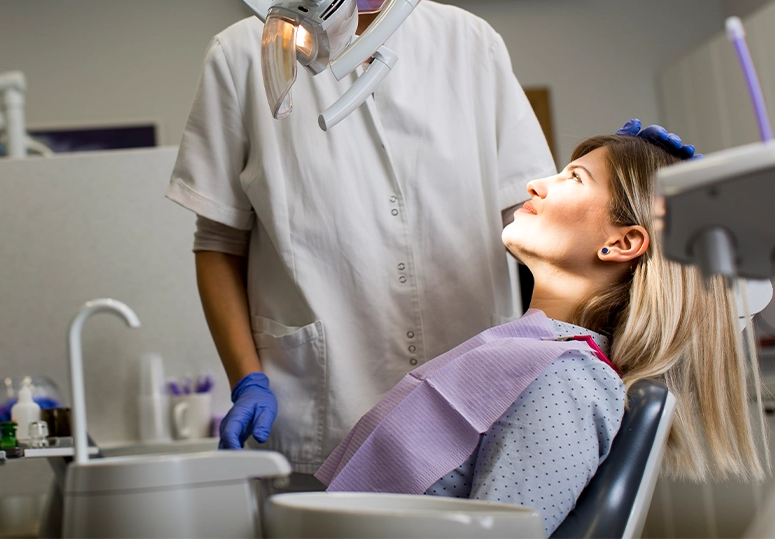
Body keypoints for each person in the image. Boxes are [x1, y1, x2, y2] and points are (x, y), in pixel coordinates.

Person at [165, 0, 556, 483]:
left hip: (471, 404)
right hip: (327, 406)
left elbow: (535, 220)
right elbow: (217, 241)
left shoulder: (472, 45)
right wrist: (248, 378)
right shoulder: (243, 54)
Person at [317, 120, 769, 536]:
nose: (536, 185)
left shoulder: (566, 380)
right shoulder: (531, 351)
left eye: (574, 177)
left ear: (622, 242)